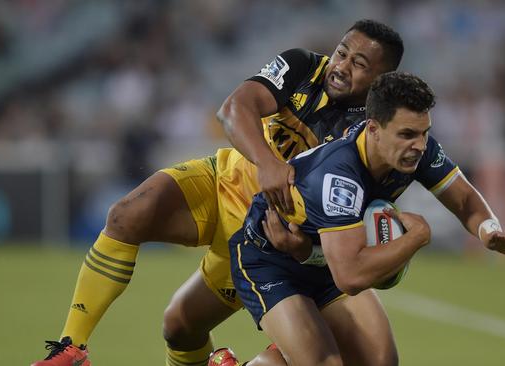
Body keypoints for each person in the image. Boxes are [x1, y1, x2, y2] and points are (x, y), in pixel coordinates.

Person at [31, 20, 405, 366]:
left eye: (359, 64)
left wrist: (306, 251)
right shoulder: (303, 66)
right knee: (127, 214)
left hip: (263, 238)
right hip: (220, 182)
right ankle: (72, 347)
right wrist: (267, 163)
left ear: (381, 80)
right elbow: (234, 108)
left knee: (180, 326)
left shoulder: (372, 140)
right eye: (342, 52)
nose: (340, 66)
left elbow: (352, 236)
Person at [210, 71, 505, 366]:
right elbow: (351, 277)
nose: (419, 145)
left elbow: (463, 197)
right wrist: (416, 237)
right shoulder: (338, 176)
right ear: (374, 129)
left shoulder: (411, 149)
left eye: (424, 133)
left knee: (380, 362)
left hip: (324, 256)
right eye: (408, 134)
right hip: (270, 259)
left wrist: (488, 230)